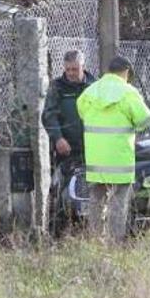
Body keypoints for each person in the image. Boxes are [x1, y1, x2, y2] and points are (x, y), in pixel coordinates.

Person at [77, 56, 150, 243]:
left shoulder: (89, 91)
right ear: (126, 72)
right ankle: (115, 241)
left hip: (96, 160)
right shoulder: (129, 93)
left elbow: (81, 112)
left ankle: (96, 239)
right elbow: (144, 121)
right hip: (120, 161)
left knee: (96, 200)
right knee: (118, 203)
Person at [41, 50, 95, 234]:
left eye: (75, 69)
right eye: (68, 69)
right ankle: (58, 232)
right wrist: (58, 138)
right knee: (61, 190)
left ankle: (91, 229)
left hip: (93, 150)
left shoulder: (94, 86)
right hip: (67, 150)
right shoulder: (58, 87)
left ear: (83, 67)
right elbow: (49, 116)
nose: (71, 73)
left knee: (92, 190)